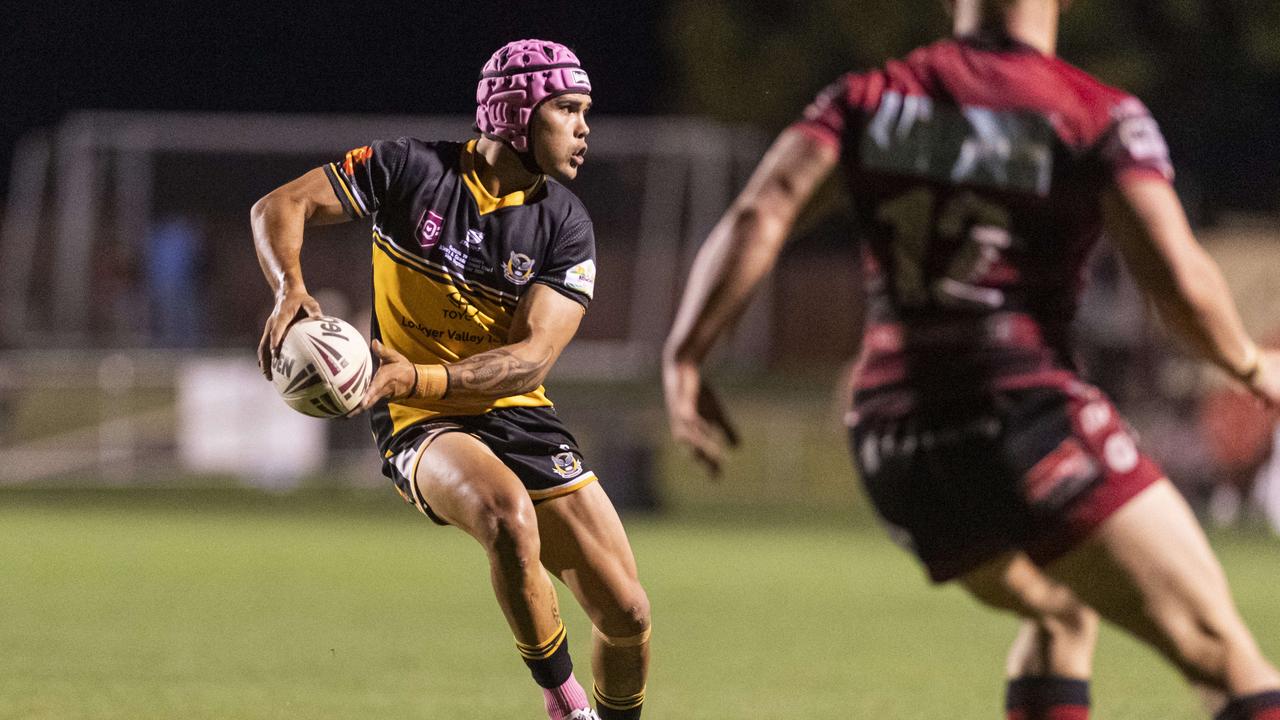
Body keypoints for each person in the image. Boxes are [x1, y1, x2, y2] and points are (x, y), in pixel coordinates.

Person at [662, 1, 1280, 718]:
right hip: (1021, 415)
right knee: (1222, 652)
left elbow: (759, 213)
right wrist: (1249, 365)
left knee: (1059, 612)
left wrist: (687, 355)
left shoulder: (869, 98)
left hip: (895, 442)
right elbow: (1178, 279)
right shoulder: (1092, 111)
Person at [252, 39, 650, 720]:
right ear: (517, 111)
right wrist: (290, 287)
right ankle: (566, 703)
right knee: (505, 515)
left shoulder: (565, 225)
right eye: (568, 109)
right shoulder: (409, 168)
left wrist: (422, 374)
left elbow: (531, 360)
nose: (585, 128)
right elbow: (279, 205)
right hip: (418, 419)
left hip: (511, 409)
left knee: (628, 615)